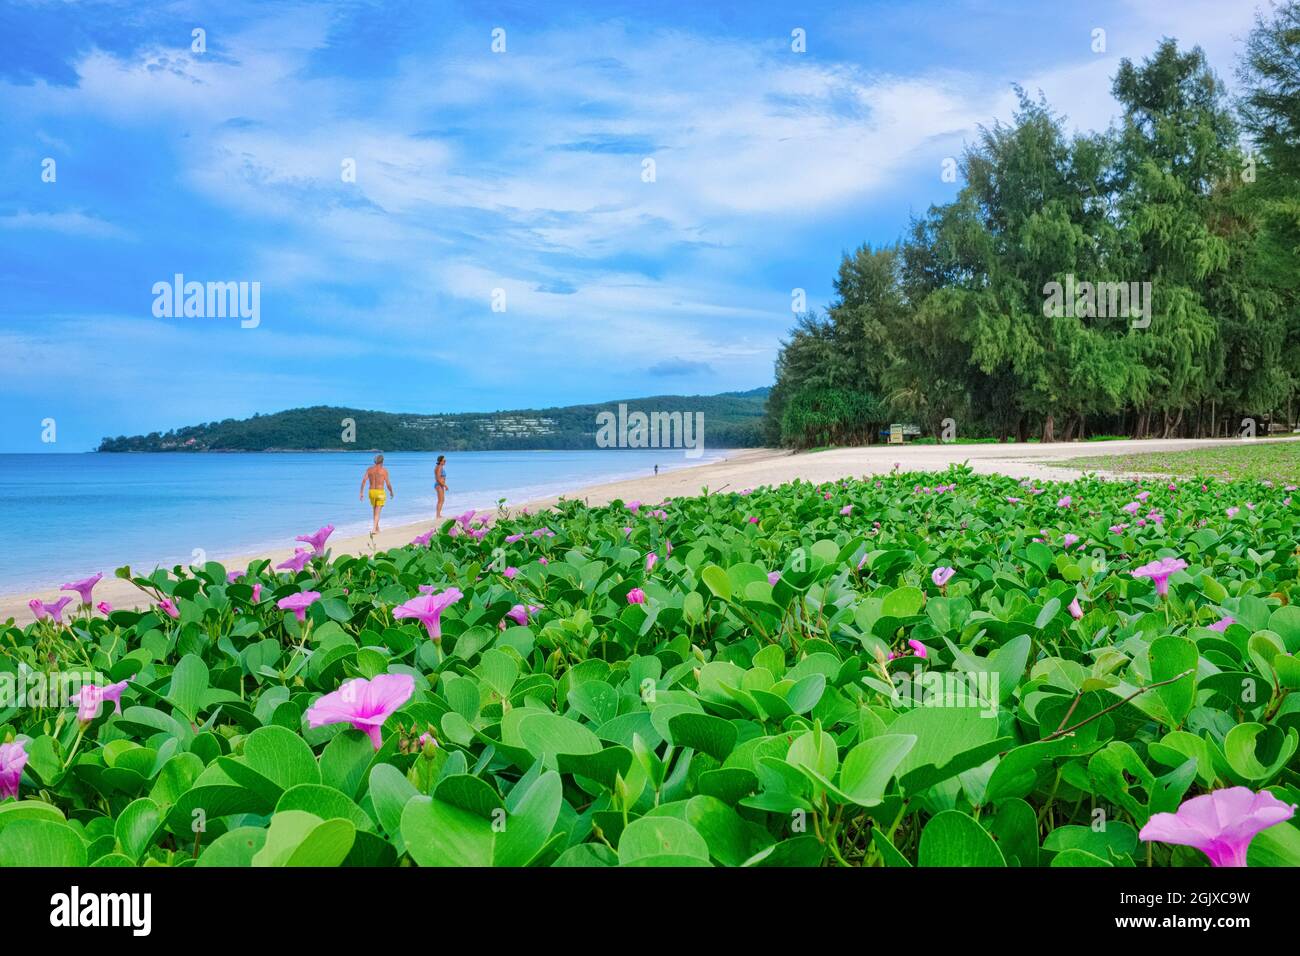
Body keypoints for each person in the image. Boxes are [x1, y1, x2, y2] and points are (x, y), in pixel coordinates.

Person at [360, 453, 394, 537]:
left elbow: (364, 481)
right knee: (377, 512)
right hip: (380, 492)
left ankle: (377, 528)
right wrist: (391, 491)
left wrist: (361, 492)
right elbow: (388, 483)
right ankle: (374, 529)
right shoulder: (384, 470)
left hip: (371, 492)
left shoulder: (369, 470)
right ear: (382, 461)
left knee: (374, 510)